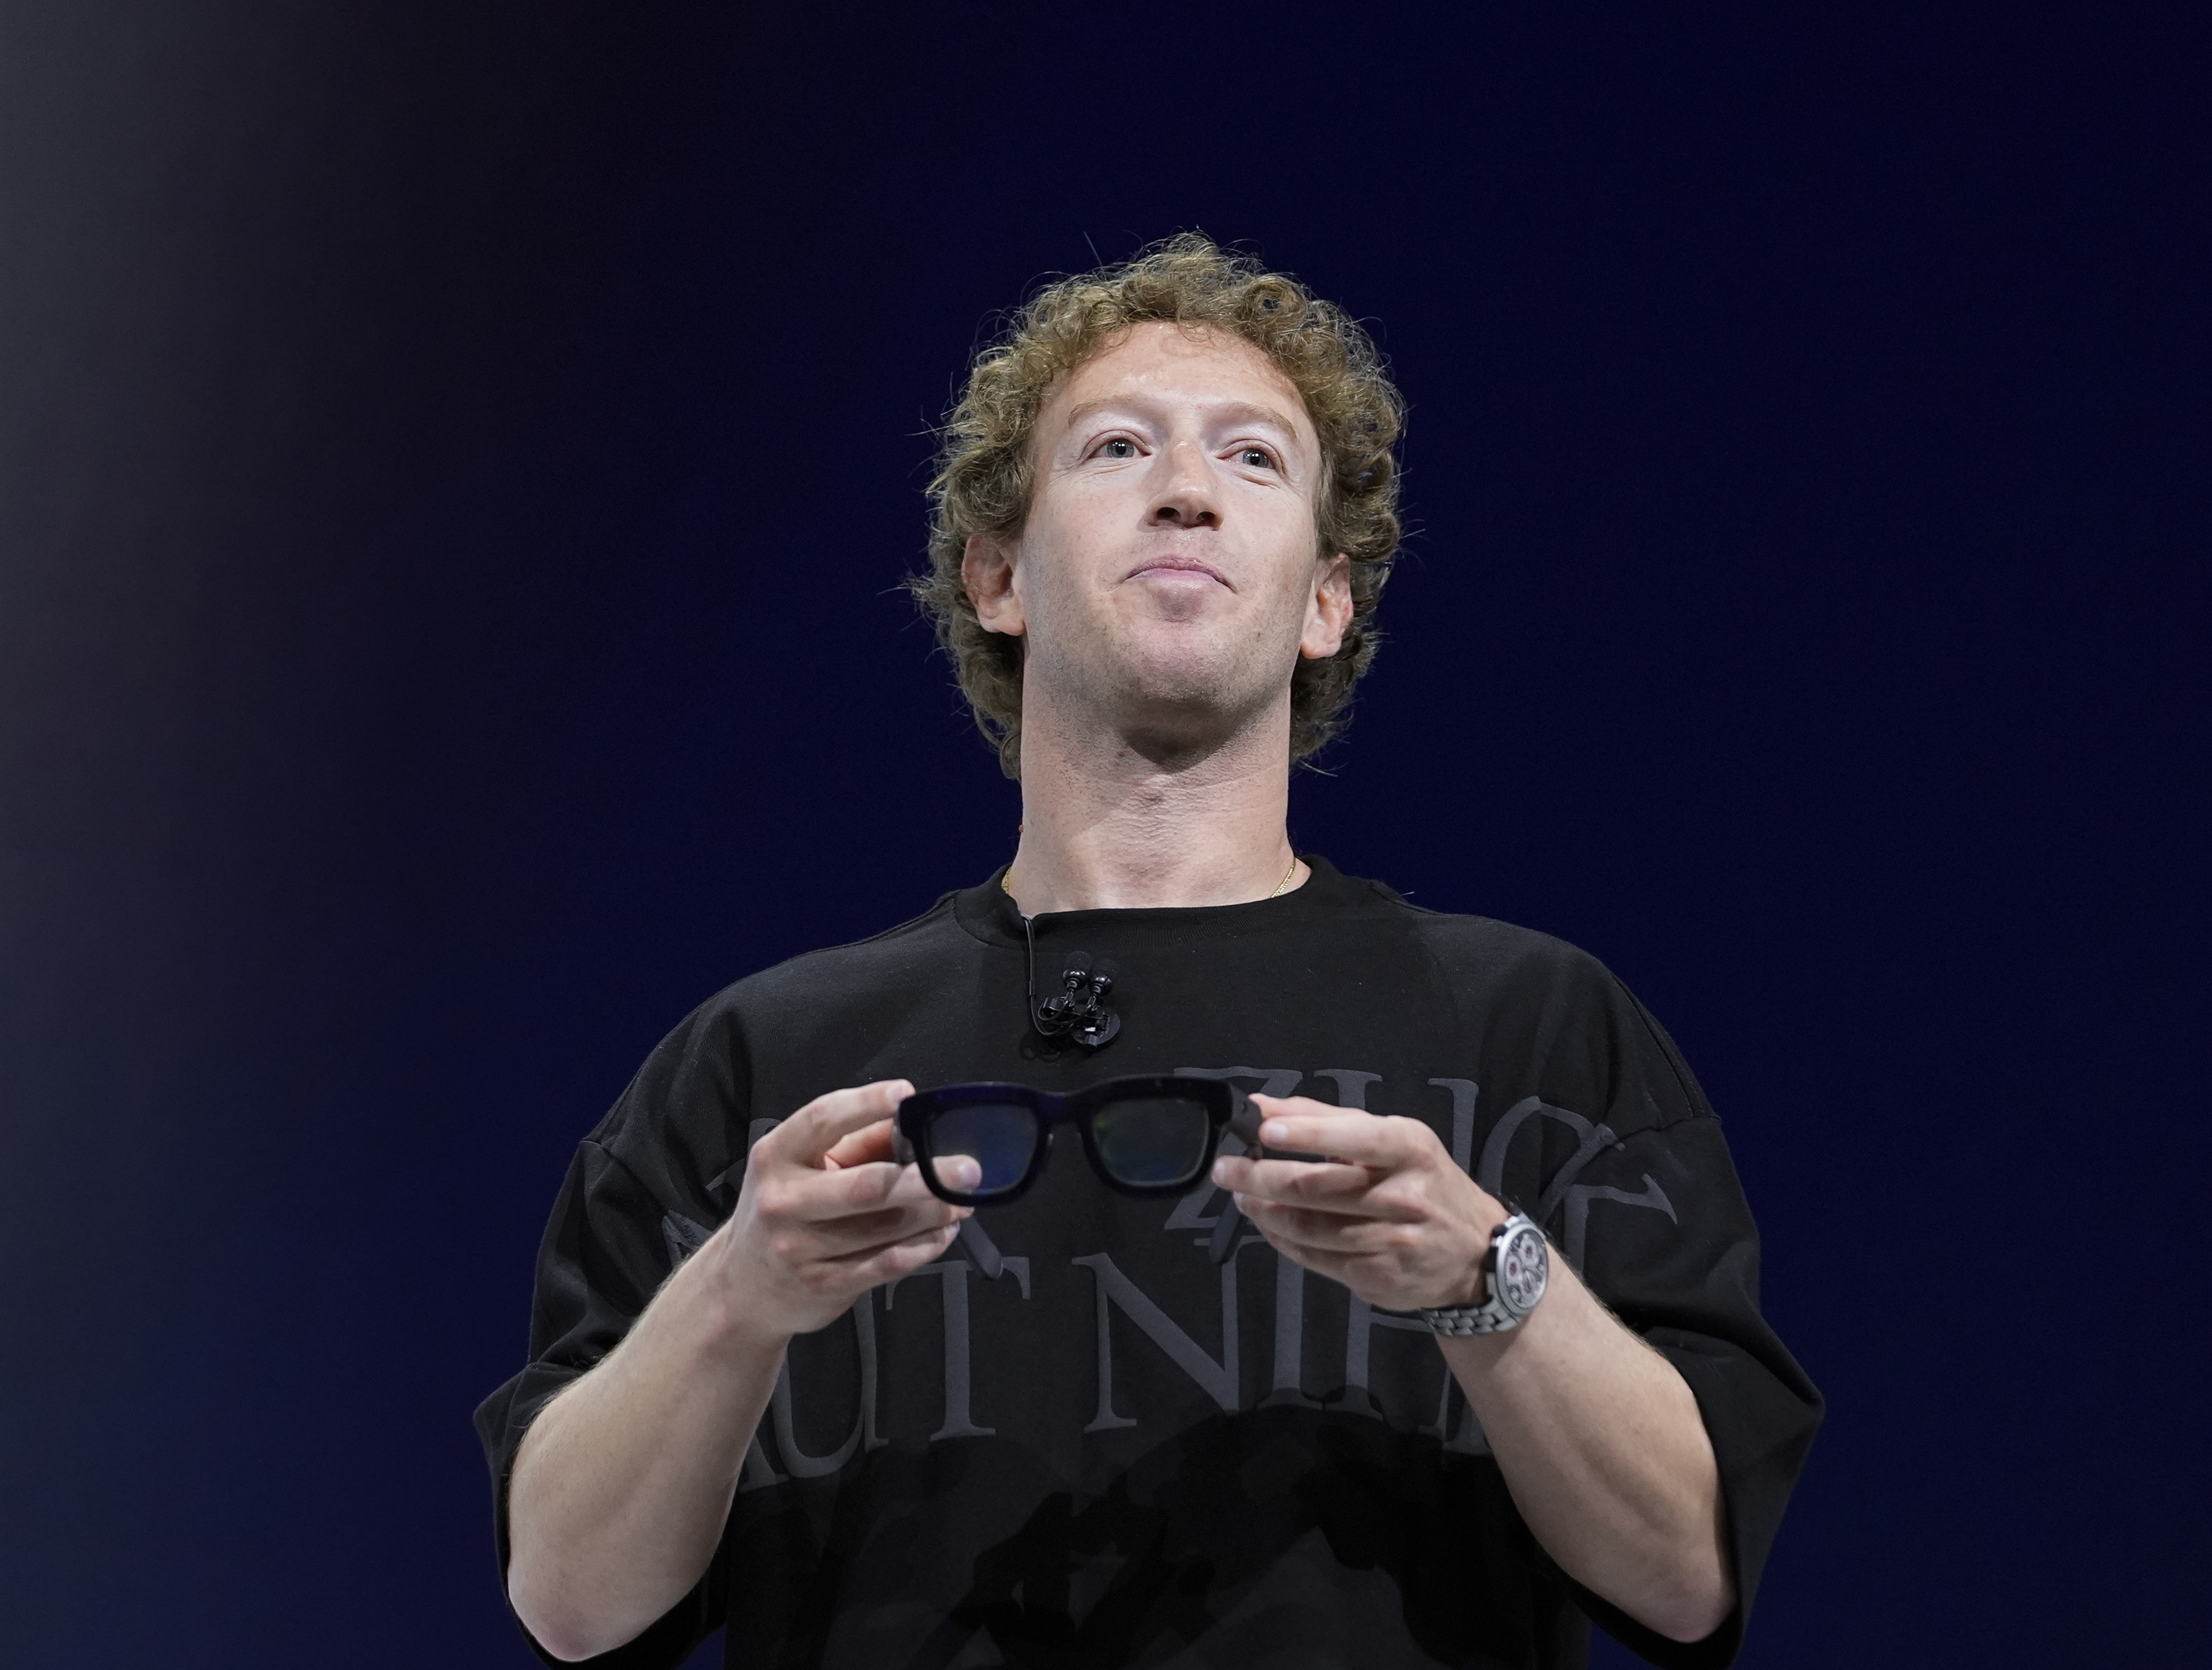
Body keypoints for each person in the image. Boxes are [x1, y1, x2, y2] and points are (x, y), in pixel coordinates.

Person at [476, 236, 1822, 1669]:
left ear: (1326, 604)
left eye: (1254, 460)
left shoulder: (1534, 1032)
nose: (1187, 488)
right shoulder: (769, 1067)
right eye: (1118, 447)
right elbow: (568, 1601)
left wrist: (1483, 1277)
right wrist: (739, 1291)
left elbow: (1688, 1572)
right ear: (999, 576)